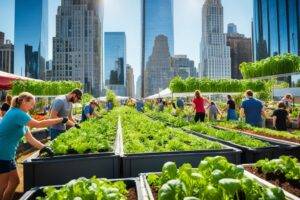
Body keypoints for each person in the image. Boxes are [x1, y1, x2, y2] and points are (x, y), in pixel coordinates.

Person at [0, 92, 70, 200]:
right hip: (2, 153)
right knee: (2, 186)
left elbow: (30, 138)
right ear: (23, 101)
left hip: (8, 154)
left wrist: (43, 147)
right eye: (31, 104)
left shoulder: (22, 115)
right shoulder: (17, 113)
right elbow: (38, 124)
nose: (32, 107)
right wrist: (61, 119)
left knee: (15, 182)